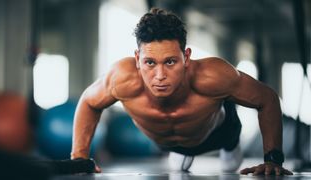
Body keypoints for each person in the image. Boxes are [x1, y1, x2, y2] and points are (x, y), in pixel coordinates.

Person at [71, 8, 293, 176]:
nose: (159, 75)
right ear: (137, 59)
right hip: (170, 145)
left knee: (230, 168)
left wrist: (273, 159)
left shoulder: (213, 75)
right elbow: (89, 103)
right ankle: (184, 153)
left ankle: (231, 143)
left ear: (186, 57)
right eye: (149, 62)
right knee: (177, 168)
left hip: (219, 135)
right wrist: (79, 158)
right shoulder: (121, 79)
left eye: (170, 62)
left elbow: (267, 98)